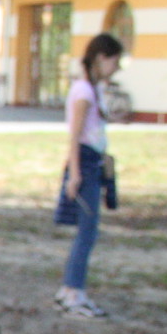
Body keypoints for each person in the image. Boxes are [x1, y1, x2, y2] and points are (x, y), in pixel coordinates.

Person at [54, 33, 124, 318]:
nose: (116, 68)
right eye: (114, 62)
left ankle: (69, 289)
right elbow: (75, 136)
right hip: (85, 164)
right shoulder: (83, 91)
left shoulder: (92, 89)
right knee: (87, 231)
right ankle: (74, 292)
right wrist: (75, 174)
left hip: (93, 161)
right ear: (101, 58)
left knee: (87, 231)